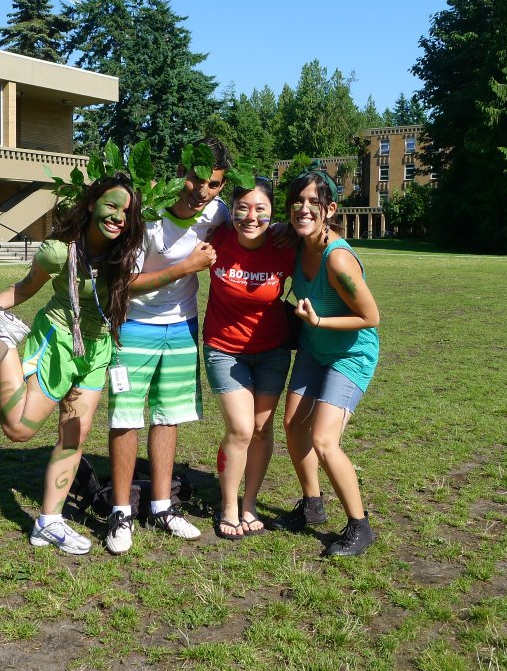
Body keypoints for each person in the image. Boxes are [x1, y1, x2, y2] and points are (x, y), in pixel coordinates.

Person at [0, 173, 145, 555]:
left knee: (74, 437)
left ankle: (49, 521)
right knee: (18, 429)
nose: (118, 217)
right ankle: (6, 341)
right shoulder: (58, 251)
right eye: (111, 206)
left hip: (96, 351)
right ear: (92, 204)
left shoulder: (123, 252)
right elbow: (25, 287)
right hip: (56, 341)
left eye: (126, 212)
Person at [104, 138, 231, 555]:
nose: (202, 191)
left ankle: (162, 507)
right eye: (195, 179)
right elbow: (123, 283)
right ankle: (120, 511)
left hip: (182, 328)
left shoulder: (216, 212)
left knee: (168, 415)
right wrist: (186, 268)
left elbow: (252, 225)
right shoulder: (147, 213)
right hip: (134, 326)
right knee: (125, 416)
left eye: (213, 184)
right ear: (180, 172)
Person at [270, 166, 381, 557]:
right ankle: (312, 505)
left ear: (330, 209)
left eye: (313, 202)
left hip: (350, 355)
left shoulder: (338, 260)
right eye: (297, 201)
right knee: (293, 424)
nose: (303, 209)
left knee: (323, 439)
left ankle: (360, 526)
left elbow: (371, 317)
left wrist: (318, 321)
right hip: (314, 349)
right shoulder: (299, 242)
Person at [203, 179, 296, 539]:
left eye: (260, 208)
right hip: (224, 349)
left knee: (261, 430)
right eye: (242, 207)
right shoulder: (217, 237)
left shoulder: (284, 245)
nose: (250, 216)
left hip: (272, 350)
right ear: (231, 210)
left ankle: (249, 503)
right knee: (241, 429)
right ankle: (229, 506)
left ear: (272, 212)